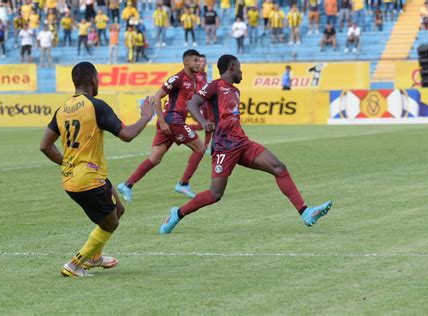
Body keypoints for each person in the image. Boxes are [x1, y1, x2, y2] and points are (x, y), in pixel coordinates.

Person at [159, 55, 333, 234]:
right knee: (215, 194)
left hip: (242, 143)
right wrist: (203, 122)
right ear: (232, 67)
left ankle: (306, 213)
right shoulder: (214, 86)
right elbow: (192, 103)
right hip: (224, 148)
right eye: (240, 67)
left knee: (278, 167)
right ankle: (177, 213)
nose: (242, 72)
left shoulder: (235, 91)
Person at [39, 61, 154, 277]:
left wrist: (67, 162)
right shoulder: (96, 106)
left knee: (118, 210)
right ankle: (74, 264)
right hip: (87, 179)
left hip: (77, 177)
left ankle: (94, 257)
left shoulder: (62, 109)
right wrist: (146, 117)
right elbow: (126, 135)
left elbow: (44, 145)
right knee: (110, 222)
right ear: (93, 79)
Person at [117, 49, 206, 202]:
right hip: (172, 120)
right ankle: (183, 184)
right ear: (186, 62)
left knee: (155, 158)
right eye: (195, 61)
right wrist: (163, 121)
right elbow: (157, 96)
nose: (199, 63)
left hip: (173, 121)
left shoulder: (193, 80)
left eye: (200, 61)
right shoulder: (177, 78)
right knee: (200, 148)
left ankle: (127, 184)